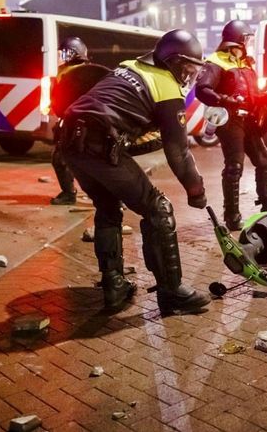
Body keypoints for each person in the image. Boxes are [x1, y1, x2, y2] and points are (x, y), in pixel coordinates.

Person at [60, 29, 212, 316]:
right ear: (173, 63)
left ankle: (114, 285)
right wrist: (196, 191)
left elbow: (123, 121)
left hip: (70, 140)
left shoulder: (130, 67)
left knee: (107, 206)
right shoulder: (166, 85)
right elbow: (178, 153)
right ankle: (171, 292)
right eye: (187, 69)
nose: (189, 76)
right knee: (158, 208)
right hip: (98, 143)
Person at [194, 20, 267, 230]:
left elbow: (251, 91)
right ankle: (232, 216)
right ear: (237, 41)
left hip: (249, 119)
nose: (248, 43)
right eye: (246, 39)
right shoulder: (215, 62)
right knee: (234, 167)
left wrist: (264, 98)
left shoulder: (245, 63)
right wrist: (225, 100)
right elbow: (202, 90)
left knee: (265, 162)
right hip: (230, 121)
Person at [50, 36, 90, 205]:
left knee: (62, 159)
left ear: (72, 54)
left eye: (63, 53)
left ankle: (68, 194)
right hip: (80, 123)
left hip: (79, 124)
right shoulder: (85, 71)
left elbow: (60, 103)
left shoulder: (71, 74)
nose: (60, 57)